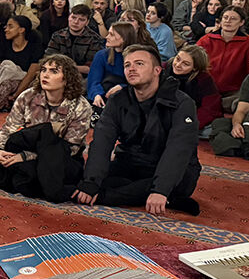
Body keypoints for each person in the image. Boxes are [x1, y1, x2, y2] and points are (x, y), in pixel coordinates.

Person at [72, 44, 201, 216]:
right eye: (127, 65)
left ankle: (113, 196)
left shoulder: (182, 103)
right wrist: (91, 182)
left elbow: (178, 150)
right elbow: (102, 141)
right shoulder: (118, 100)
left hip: (172, 169)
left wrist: (161, 190)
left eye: (139, 64)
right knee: (83, 181)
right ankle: (162, 198)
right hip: (131, 163)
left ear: (157, 70)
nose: (131, 69)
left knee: (172, 185)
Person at [0, 54, 92, 203]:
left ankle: (23, 180)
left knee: (36, 163)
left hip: (58, 160)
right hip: (23, 150)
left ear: (67, 79)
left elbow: (71, 148)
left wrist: (25, 156)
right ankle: (23, 181)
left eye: (54, 71)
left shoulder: (81, 106)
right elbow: (8, 129)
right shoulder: (27, 96)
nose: (45, 75)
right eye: (43, 70)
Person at [197, 6, 249, 96]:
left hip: (234, 93)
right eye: (225, 17)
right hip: (204, 89)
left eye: (233, 19)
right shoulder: (205, 40)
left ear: (241, 22)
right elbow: (195, 64)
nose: (228, 21)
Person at [0, 15, 47, 109]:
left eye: (11, 26)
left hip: (24, 82)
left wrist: (16, 95)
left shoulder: (35, 47)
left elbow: (30, 75)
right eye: (6, 26)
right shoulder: (3, 44)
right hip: (1, 80)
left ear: (21, 30)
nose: (6, 29)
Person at [87, 22, 143, 111]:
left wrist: (122, 87)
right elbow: (93, 80)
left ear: (124, 39)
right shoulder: (101, 55)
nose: (106, 37)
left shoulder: (138, 57)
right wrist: (96, 95)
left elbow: (142, 83)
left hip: (129, 97)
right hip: (104, 96)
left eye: (111, 35)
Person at [170, 45, 222, 132]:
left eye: (185, 64)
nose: (178, 65)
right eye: (177, 59)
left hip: (192, 115)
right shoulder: (166, 68)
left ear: (195, 68)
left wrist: (186, 123)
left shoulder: (204, 79)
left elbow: (210, 109)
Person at [46, 4, 105, 76]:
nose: (76, 22)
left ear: (87, 22)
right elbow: (48, 58)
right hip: (57, 74)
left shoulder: (94, 39)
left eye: (81, 20)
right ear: (68, 17)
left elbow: (90, 68)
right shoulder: (57, 36)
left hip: (82, 77)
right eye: (73, 17)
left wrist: (65, 67)